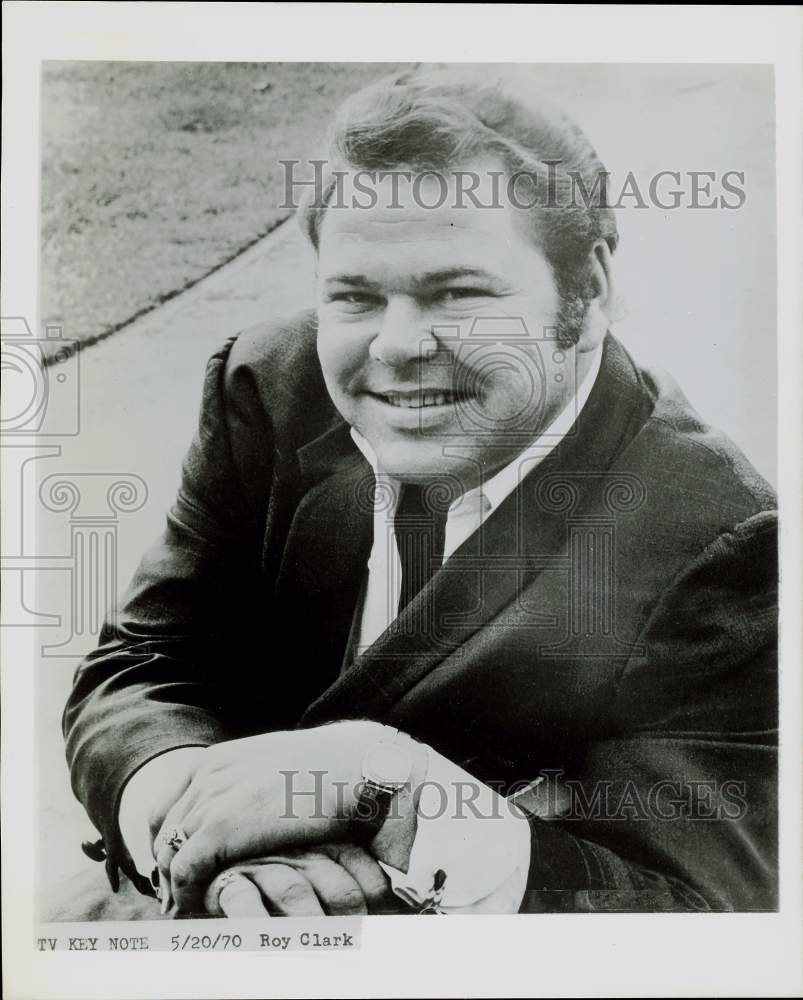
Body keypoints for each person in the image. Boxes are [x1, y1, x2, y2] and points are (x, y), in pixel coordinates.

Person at [62, 67, 777, 919]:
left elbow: (696, 911)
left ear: (586, 295)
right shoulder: (268, 385)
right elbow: (142, 663)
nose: (396, 346)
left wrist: (401, 791)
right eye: (355, 297)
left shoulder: (714, 538)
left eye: (459, 292)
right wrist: (195, 818)